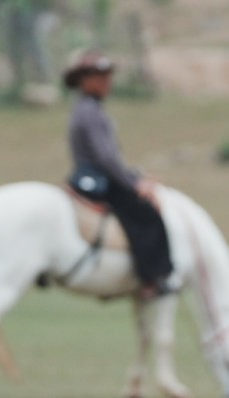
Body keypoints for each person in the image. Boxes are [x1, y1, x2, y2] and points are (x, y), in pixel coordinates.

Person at [64, 50, 176, 298]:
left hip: (93, 175)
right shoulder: (90, 111)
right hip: (99, 179)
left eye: (107, 76)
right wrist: (132, 183)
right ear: (83, 80)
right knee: (146, 213)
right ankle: (152, 278)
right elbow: (106, 158)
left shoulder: (86, 108)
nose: (107, 81)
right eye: (99, 76)